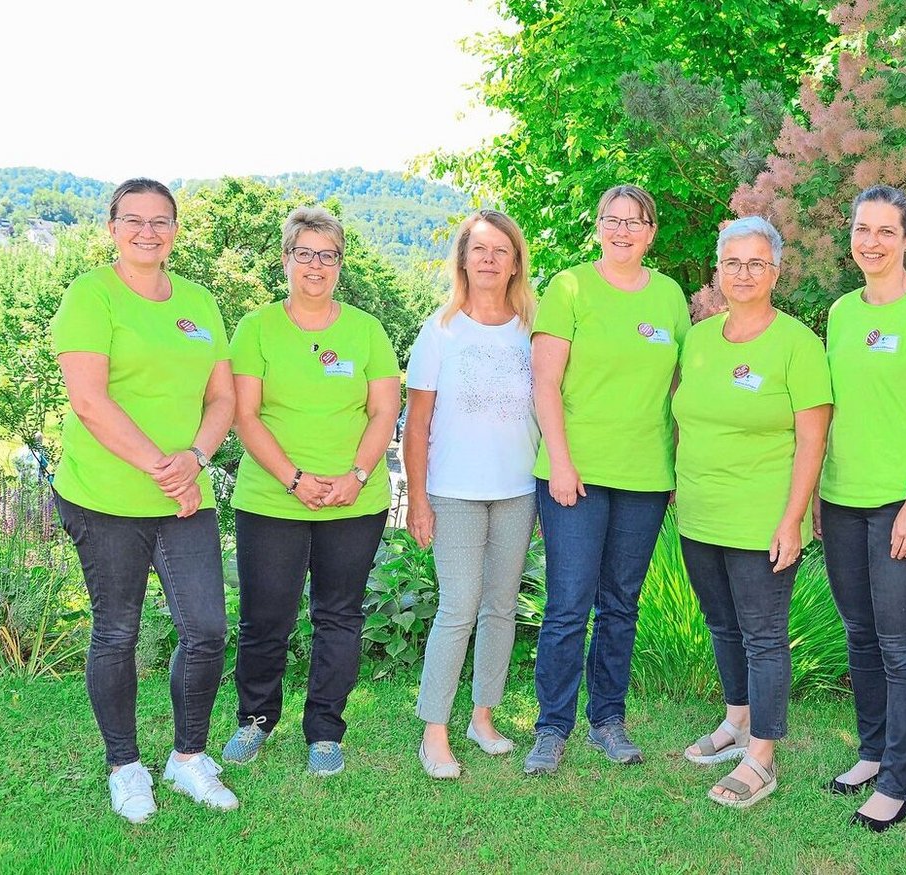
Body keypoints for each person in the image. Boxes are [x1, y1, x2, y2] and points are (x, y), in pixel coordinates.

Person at [50, 178, 238, 823]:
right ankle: (125, 765)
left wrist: (197, 460)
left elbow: (223, 399)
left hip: (186, 494)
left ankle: (188, 758)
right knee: (116, 631)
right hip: (105, 495)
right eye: (134, 220)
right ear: (112, 227)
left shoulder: (200, 302)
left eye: (161, 221)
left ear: (176, 230)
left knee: (207, 628)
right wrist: (164, 467)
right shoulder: (91, 295)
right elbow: (89, 400)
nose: (147, 232)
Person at [221, 207, 401, 778]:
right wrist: (294, 480)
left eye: (327, 255)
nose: (316, 265)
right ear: (286, 260)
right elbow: (245, 416)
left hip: (353, 499)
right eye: (305, 253)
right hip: (273, 498)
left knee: (339, 616)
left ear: (340, 264)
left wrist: (357, 475)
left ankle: (325, 729)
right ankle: (255, 719)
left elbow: (384, 410)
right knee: (265, 617)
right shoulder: (256, 328)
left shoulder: (366, 330)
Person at [523, 184, 690, 775]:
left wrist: (680, 466)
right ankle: (551, 728)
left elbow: (683, 387)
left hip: (645, 476)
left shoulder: (669, 297)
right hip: (575, 475)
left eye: (636, 221)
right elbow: (544, 383)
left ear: (651, 233)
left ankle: (608, 721)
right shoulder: (569, 287)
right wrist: (561, 462)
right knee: (568, 605)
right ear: (598, 227)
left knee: (621, 604)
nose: (623, 230)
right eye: (612, 220)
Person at [817, 186, 906, 831]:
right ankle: (872, 753)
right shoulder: (841, 313)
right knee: (859, 633)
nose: (871, 242)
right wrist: (820, 491)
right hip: (842, 496)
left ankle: (902, 784)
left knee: (900, 642)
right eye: (862, 229)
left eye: (885, 231)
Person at [673, 217, 831, 807]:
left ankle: (762, 756)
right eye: (733, 262)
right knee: (722, 624)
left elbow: (813, 440)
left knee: (764, 635)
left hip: (763, 517)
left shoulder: (798, 344)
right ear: (718, 269)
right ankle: (736, 721)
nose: (743, 273)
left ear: (776, 272)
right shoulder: (699, 339)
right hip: (700, 513)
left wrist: (792, 518)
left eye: (756, 263)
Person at [405, 209, 540, 779]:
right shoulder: (440, 331)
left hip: (516, 488)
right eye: (478, 249)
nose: (489, 259)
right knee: (459, 606)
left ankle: (482, 716)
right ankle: (433, 731)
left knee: (501, 607)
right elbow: (416, 425)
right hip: (454, 491)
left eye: (500, 251)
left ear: (514, 263)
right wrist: (417, 497)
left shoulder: (531, 331)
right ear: (463, 259)